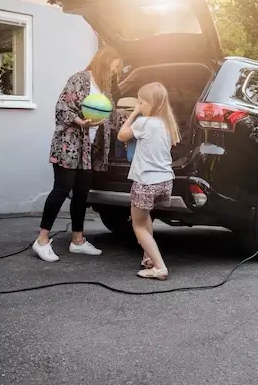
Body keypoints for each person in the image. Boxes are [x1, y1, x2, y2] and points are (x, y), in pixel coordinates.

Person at [32, 46, 124, 263]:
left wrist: (138, 117)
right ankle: (42, 240)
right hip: (68, 147)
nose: (115, 72)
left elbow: (110, 115)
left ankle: (78, 240)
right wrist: (80, 121)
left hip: (87, 151)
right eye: (114, 67)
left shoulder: (104, 88)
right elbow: (62, 107)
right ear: (105, 62)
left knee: (82, 194)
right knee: (61, 190)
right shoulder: (80, 79)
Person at [116, 82, 181, 280]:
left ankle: (160, 267)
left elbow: (121, 135)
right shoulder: (168, 124)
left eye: (142, 102)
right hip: (165, 181)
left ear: (152, 103)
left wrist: (134, 113)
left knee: (138, 225)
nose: (140, 105)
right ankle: (149, 258)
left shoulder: (144, 122)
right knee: (146, 219)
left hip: (146, 182)